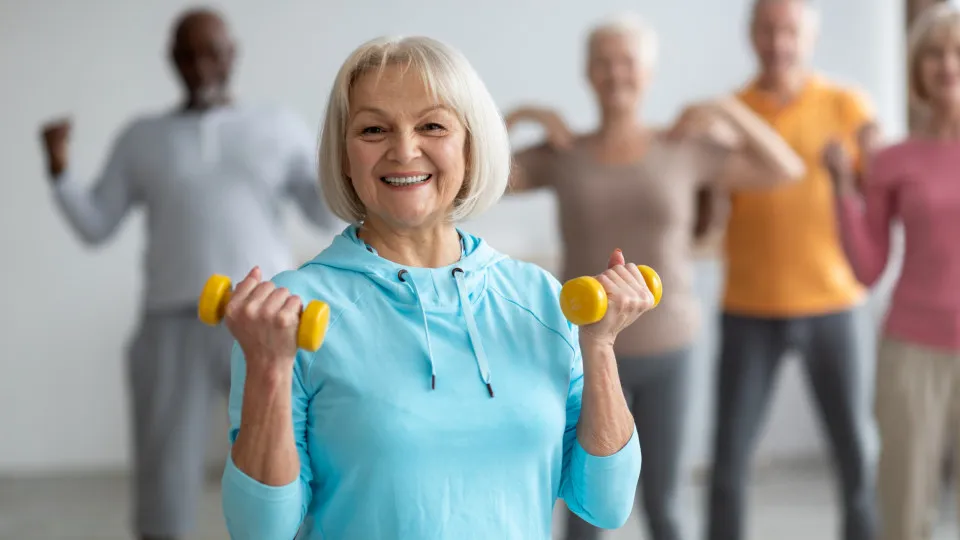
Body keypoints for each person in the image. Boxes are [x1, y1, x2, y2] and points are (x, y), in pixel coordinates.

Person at [217, 34, 656, 540]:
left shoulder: (538, 299)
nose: (404, 149)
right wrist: (270, 369)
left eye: (432, 125)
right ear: (344, 156)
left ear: (470, 145)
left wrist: (598, 346)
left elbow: (606, 503)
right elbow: (259, 531)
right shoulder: (292, 315)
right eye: (373, 129)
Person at [37, 8, 336, 540]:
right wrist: (59, 169)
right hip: (170, 320)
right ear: (172, 60)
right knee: (164, 469)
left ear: (232, 54)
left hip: (265, 317)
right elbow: (95, 225)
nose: (201, 65)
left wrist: (345, 162)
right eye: (189, 53)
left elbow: (321, 213)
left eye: (212, 51)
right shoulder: (141, 138)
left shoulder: (277, 125)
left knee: (290, 453)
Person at [504, 14, 805, 540]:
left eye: (627, 62)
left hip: (669, 349)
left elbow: (785, 168)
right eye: (603, 63)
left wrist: (724, 109)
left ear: (648, 73)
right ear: (588, 73)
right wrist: (521, 115)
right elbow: (474, 176)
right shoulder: (564, 153)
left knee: (664, 505)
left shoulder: (682, 146)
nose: (616, 74)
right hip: (580, 353)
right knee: (582, 508)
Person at [705, 1, 879, 539]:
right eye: (767, 30)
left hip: (834, 303)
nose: (778, 42)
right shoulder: (729, 112)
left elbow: (880, 195)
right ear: (751, 35)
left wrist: (851, 175)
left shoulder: (847, 105)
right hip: (748, 307)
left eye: (789, 31)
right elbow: (706, 210)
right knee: (729, 459)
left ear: (808, 37)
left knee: (855, 453)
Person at [827, 4, 960, 539]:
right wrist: (841, 188)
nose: (948, 64)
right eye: (934, 54)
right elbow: (867, 267)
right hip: (911, 351)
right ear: (918, 68)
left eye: (957, 52)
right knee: (905, 513)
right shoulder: (893, 160)